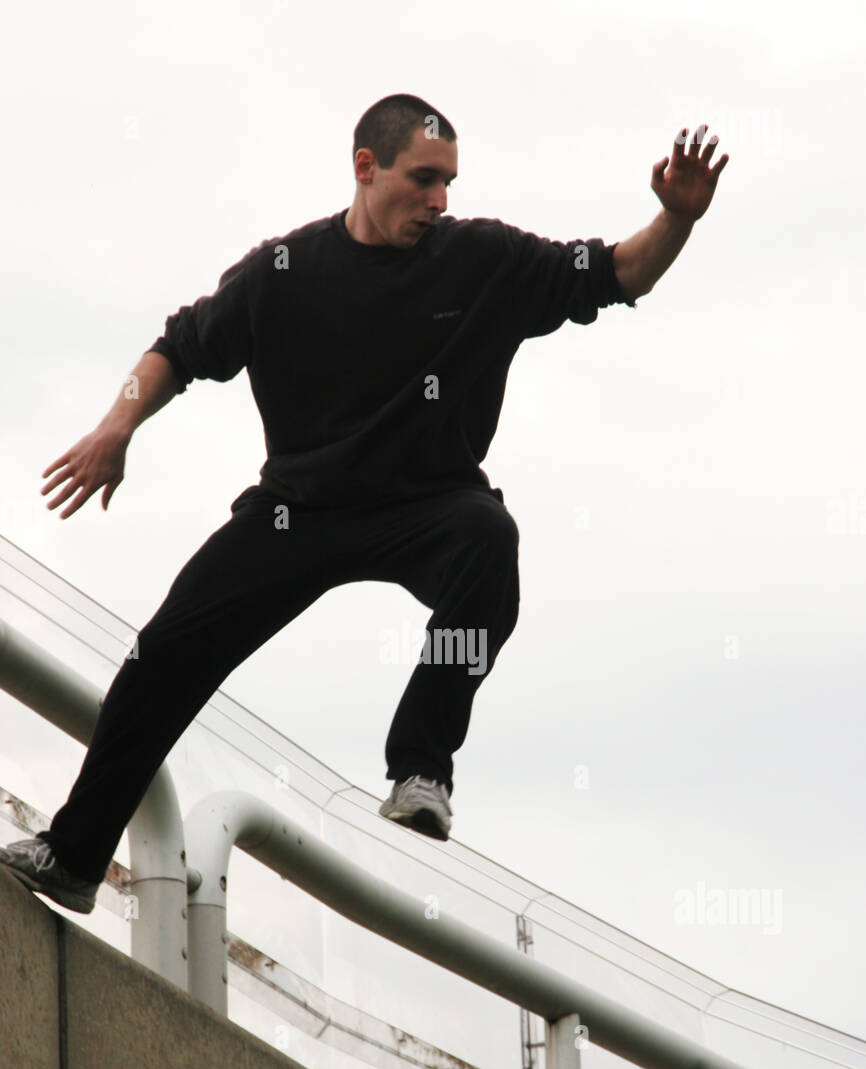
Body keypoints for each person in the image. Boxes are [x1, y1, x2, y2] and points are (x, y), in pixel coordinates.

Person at [0, 94, 728, 915]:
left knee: (489, 540)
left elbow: (620, 271)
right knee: (163, 654)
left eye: (449, 182)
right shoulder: (286, 272)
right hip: (297, 512)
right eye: (423, 180)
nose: (439, 201)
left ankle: (421, 767)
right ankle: (74, 854)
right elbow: (176, 347)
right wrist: (115, 427)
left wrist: (676, 220)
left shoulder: (482, 259)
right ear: (365, 168)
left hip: (431, 503)